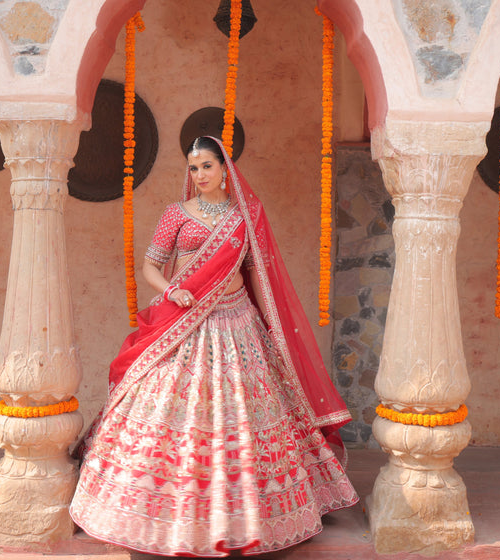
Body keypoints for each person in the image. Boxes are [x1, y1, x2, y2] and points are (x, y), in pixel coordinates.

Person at [69, 136, 358, 557]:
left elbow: (261, 276)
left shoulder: (246, 217)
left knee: (244, 410)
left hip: (238, 323)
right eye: (193, 168)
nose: (200, 175)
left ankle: (248, 513)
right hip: (184, 321)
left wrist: (273, 328)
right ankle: (159, 509)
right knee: (169, 407)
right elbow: (150, 265)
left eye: (207, 166)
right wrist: (171, 291)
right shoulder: (175, 214)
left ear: (226, 169)